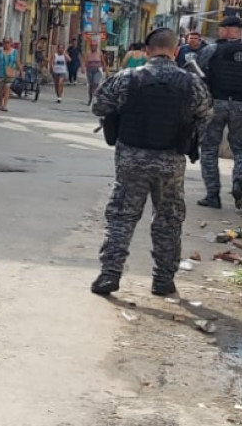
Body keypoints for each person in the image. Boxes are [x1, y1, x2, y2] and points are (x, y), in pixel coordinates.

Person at [91, 28, 212, 297]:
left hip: (131, 159)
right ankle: (163, 280)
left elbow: (99, 106)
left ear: (147, 51)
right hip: (170, 162)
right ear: (176, 50)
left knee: (121, 218)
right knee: (168, 220)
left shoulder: (126, 78)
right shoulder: (190, 82)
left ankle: (109, 274)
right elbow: (205, 114)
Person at [197, 16, 242, 209]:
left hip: (215, 103)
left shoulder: (212, 50)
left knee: (209, 148)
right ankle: (238, 183)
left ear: (227, 30)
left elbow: (198, 74)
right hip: (241, 104)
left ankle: (212, 194)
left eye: (221, 29)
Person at [0, 38, 20, 112]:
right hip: (0, 71)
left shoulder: (15, 52)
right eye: (5, 42)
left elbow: (17, 62)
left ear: (11, 43)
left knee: (7, 87)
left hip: (10, 72)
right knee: (1, 89)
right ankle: (0, 104)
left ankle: (5, 105)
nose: (6, 44)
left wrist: (21, 71)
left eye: (8, 42)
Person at [84, 38, 106, 105]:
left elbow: (103, 62)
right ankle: (90, 99)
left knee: (95, 84)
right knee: (91, 85)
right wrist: (84, 68)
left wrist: (105, 68)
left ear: (96, 46)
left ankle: (94, 99)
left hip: (97, 70)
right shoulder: (88, 53)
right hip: (90, 70)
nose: (93, 47)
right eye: (91, 45)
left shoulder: (100, 53)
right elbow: (85, 62)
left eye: (94, 45)